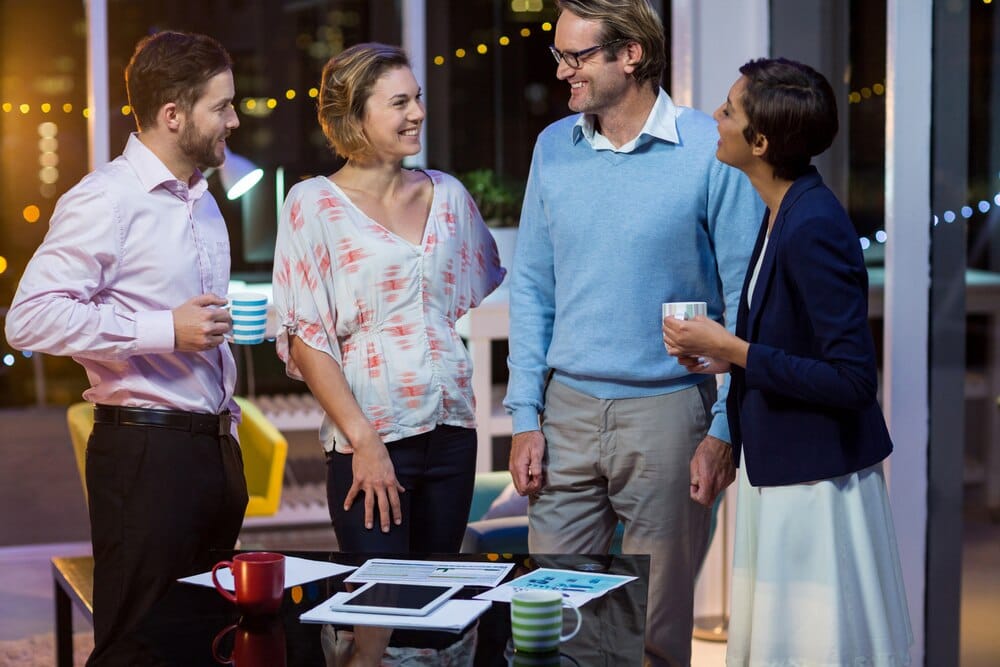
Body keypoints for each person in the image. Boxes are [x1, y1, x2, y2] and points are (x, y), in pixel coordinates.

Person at [502, 1, 762, 664]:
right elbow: (531, 289)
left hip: (670, 416)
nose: (562, 71)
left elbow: (744, 300)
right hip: (566, 413)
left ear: (631, 55)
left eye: (577, 56)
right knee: (551, 626)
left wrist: (724, 429)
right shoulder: (552, 148)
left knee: (654, 633)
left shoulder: (709, 148)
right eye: (558, 55)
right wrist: (525, 416)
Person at [4, 31, 248, 665]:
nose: (234, 119)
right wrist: (164, 330)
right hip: (145, 457)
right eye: (221, 106)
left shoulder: (204, 204)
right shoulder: (106, 198)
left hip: (213, 451)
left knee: (204, 643)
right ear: (173, 114)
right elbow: (29, 319)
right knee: (138, 649)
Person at [662, 57, 913, 665]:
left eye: (728, 111)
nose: (715, 118)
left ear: (761, 143)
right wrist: (726, 360)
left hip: (817, 492)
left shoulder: (813, 224)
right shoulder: (781, 209)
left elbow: (853, 380)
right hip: (784, 473)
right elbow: (793, 344)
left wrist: (735, 350)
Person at [272, 42, 504, 553]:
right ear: (355, 116)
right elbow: (307, 340)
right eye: (399, 103)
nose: (417, 113)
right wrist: (365, 441)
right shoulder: (313, 204)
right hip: (370, 436)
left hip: (453, 431)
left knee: (437, 592)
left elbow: (450, 303)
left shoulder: (448, 195)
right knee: (378, 594)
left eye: (417, 98)